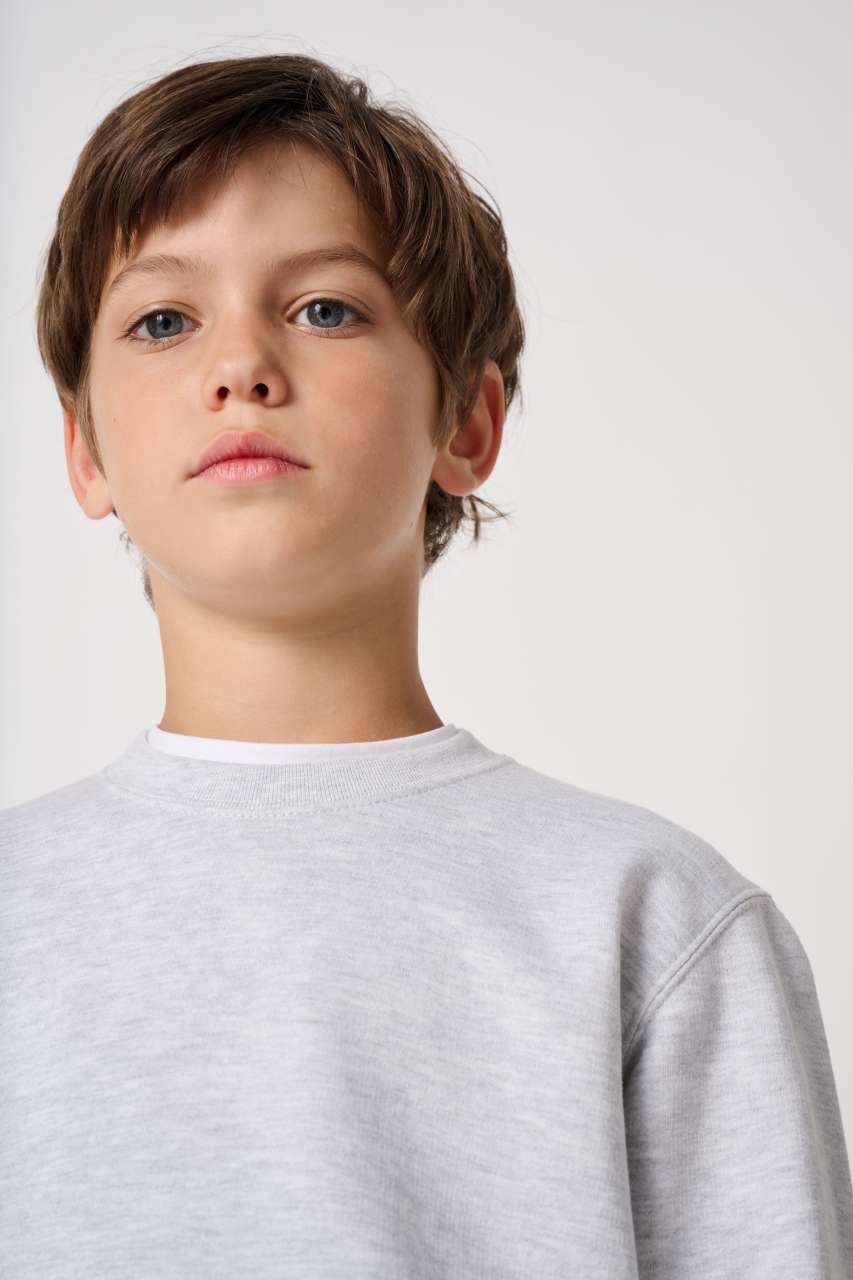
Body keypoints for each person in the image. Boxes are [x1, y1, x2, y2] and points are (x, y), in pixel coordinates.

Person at [3, 51, 851, 1278]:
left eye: (325, 308)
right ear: (84, 449)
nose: (240, 367)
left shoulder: (653, 920)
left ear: (466, 422)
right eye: (164, 321)